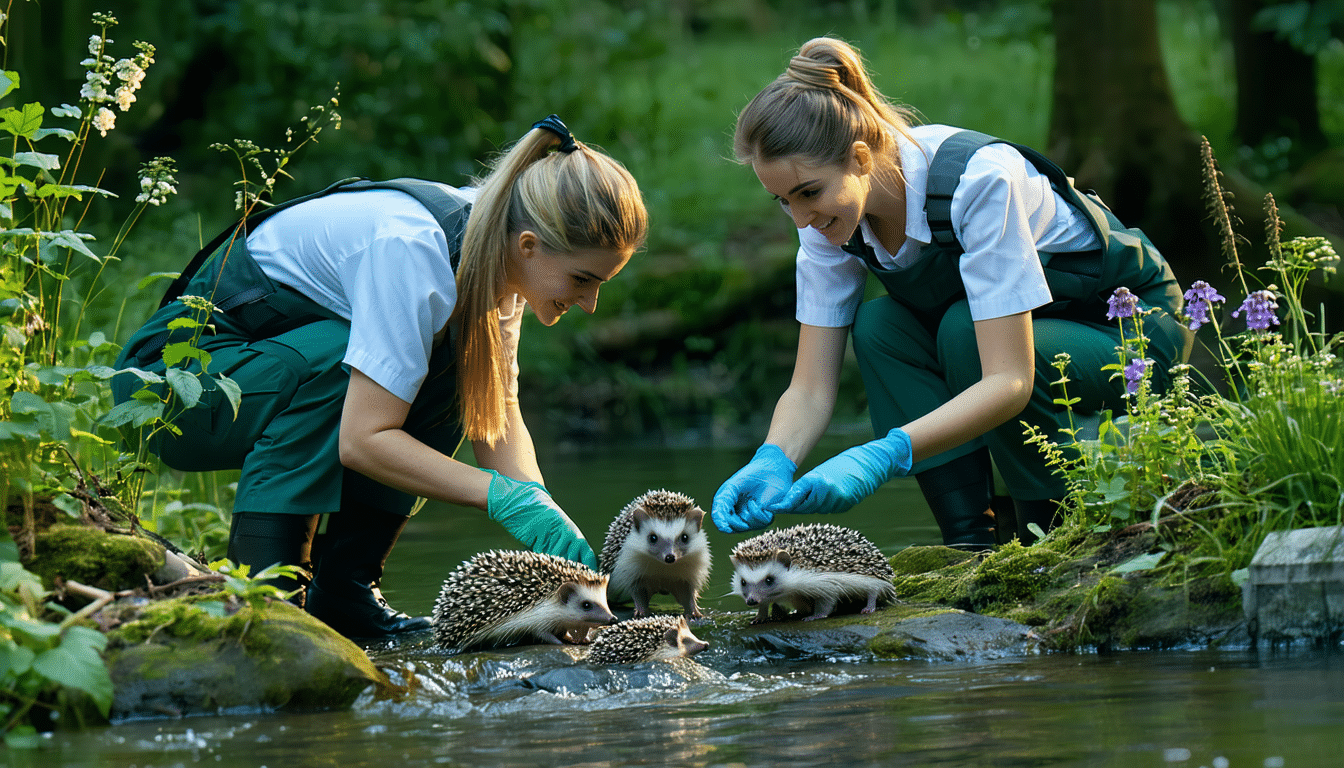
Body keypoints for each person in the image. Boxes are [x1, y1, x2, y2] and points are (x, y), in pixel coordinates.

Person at [114, 115, 648, 638]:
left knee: (463, 374)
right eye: (582, 279)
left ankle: (344, 594)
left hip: (254, 374)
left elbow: (496, 416)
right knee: (340, 358)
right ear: (529, 245)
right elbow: (363, 441)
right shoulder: (412, 250)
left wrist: (541, 510)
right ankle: (268, 597)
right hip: (172, 389)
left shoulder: (494, 258)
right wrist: (500, 497)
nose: (591, 303)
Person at [711, 38, 1186, 548]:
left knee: (963, 333)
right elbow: (809, 388)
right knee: (879, 329)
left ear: (860, 157)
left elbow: (1009, 378)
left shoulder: (978, 182)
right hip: (1010, 341)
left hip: (1129, 335)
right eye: (782, 201)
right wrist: (773, 459)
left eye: (809, 193)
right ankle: (971, 546)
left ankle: (1053, 538)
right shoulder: (828, 223)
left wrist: (884, 453)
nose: (801, 218)